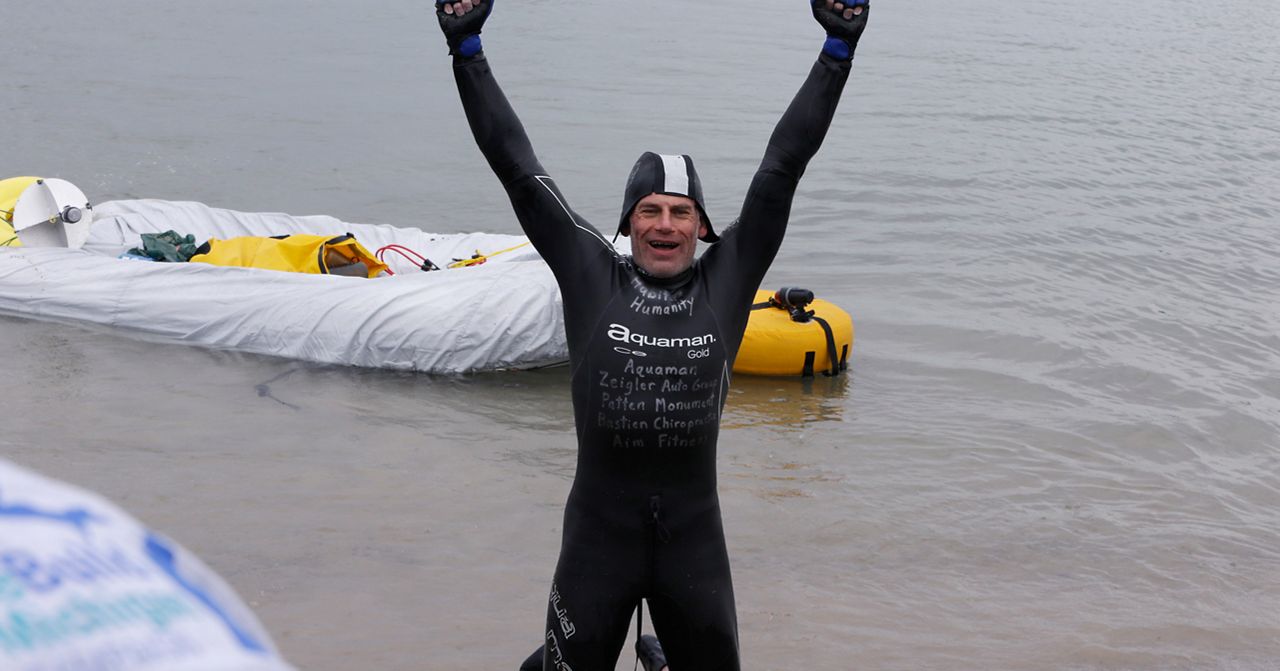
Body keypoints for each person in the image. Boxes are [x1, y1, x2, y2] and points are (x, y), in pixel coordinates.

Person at [435, 1, 870, 668]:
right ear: (628, 221)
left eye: (681, 212)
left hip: (692, 543)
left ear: (701, 225)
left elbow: (782, 166)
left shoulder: (726, 279)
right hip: (596, 542)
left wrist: (837, 53)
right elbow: (518, 168)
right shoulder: (589, 271)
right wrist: (467, 50)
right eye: (651, 211)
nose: (666, 225)